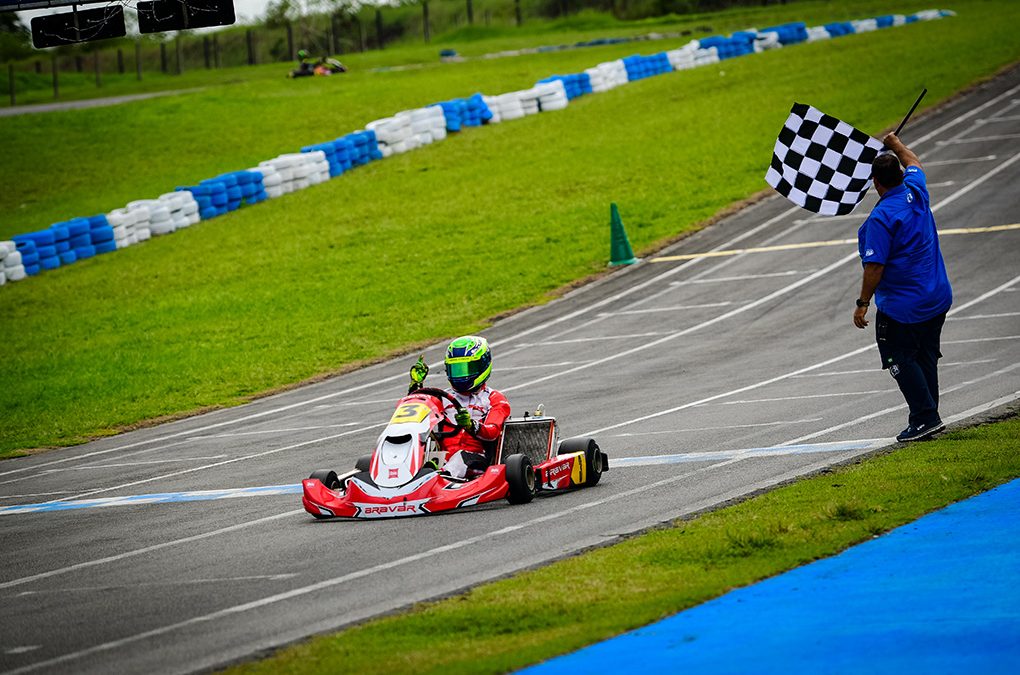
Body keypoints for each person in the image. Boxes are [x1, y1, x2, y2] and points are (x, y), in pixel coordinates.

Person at [853, 132, 953, 442]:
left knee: (898, 356)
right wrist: (896, 144)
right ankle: (928, 416)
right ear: (900, 175)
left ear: (875, 183)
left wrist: (862, 302)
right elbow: (914, 162)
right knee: (924, 356)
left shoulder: (882, 218)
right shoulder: (916, 189)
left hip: (903, 306)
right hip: (937, 296)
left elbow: (875, 266)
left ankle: (924, 417)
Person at [408, 336, 510, 478]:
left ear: (482, 365)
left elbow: (492, 432)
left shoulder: (494, 399)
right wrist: (415, 386)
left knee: (461, 457)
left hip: (478, 461)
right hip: (442, 459)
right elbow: (414, 413)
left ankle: (436, 479)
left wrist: (470, 425)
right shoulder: (441, 397)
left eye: (466, 369)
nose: (461, 376)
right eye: (456, 369)